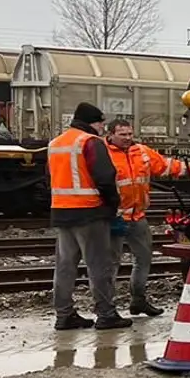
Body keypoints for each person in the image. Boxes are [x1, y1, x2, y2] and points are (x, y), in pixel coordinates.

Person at [105, 118, 190, 316]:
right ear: (110, 135)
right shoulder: (103, 155)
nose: (127, 138)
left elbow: (166, 166)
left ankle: (138, 300)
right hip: (113, 218)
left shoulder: (141, 152)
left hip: (137, 216)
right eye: (122, 134)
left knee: (143, 258)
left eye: (129, 134)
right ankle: (107, 308)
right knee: (110, 263)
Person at [48, 102, 129, 330]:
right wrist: (113, 205)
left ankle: (64, 315)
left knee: (65, 267)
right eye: (102, 123)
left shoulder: (55, 143)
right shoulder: (89, 142)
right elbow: (105, 177)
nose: (103, 127)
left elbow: (50, 177)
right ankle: (106, 314)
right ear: (94, 122)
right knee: (99, 266)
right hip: (90, 213)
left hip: (62, 212)